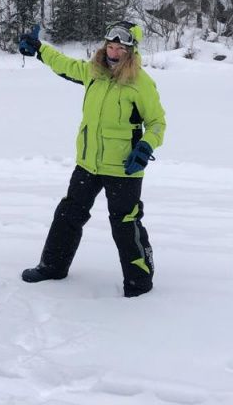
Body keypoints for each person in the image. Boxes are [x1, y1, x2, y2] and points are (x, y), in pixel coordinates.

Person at [17, 21, 166, 297]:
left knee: (125, 223)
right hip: (88, 162)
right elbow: (64, 65)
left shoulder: (140, 82)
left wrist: (145, 147)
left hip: (124, 167)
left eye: (120, 48)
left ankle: (139, 281)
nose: (113, 52)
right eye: (110, 46)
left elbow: (157, 123)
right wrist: (39, 50)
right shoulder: (93, 72)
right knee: (68, 213)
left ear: (130, 51)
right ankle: (52, 266)